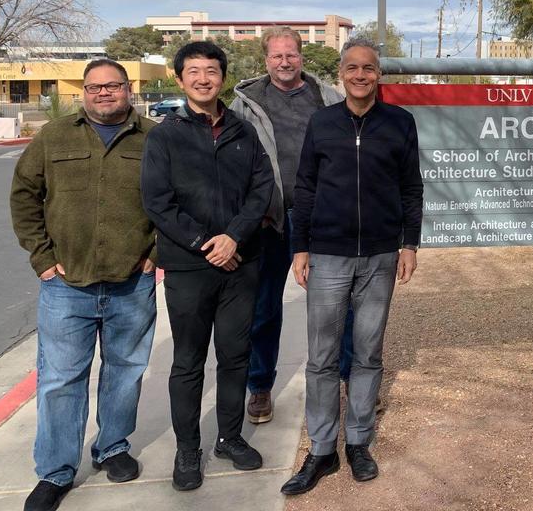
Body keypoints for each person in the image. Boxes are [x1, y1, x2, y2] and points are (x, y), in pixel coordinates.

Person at [10, 59, 158, 511]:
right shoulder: (53, 136)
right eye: (95, 87)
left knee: (125, 371)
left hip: (132, 283)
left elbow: (175, 198)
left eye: (113, 85)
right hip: (66, 285)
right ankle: (55, 471)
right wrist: (42, 258)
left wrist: (156, 254)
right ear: (84, 93)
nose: (104, 93)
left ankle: (112, 447)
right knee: (60, 379)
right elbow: (24, 195)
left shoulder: (154, 138)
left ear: (128, 89)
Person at [281, 38, 423, 496]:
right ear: (341, 74)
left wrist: (409, 244)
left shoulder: (400, 123)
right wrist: (300, 248)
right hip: (328, 254)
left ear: (378, 74)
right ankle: (322, 449)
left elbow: (411, 188)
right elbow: (305, 187)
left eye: (369, 68)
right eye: (352, 68)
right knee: (322, 357)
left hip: (380, 256)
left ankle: (359, 441)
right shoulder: (322, 123)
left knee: (367, 354)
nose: (361, 75)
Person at [140, 41, 274, 492]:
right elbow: (158, 202)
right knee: (188, 362)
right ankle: (187, 449)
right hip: (188, 267)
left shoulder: (243, 131)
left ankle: (229, 438)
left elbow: (261, 189)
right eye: (194, 71)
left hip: (240, 263)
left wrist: (234, 236)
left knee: (235, 356)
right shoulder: (165, 136)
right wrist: (205, 244)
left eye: (212, 71)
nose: (203, 79)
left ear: (223, 77)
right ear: (180, 79)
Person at [230, 26, 342, 424]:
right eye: (277, 56)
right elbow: (233, 162)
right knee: (263, 308)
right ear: (265, 60)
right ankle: (260, 386)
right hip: (269, 221)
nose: (284, 62)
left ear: (301, 57)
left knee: (334, 307)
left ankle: (346, 380)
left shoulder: (327, 97)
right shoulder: (246, 103)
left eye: (291, 54)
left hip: (321, 219)